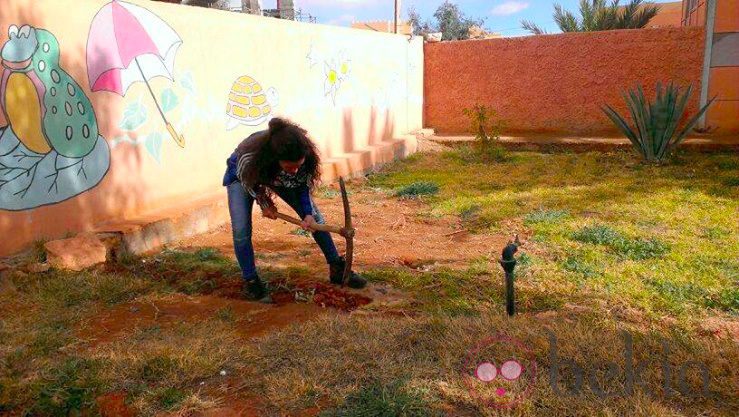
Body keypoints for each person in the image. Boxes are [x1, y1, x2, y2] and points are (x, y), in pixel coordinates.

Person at [223, 117, 366, 302]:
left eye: (298, 165)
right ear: (276, 160)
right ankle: (251, 281)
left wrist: (308, 214)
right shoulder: (250, 155)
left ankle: (337, 267)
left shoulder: (304, 160)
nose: (295, 170)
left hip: (275, 176)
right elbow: (247, 179)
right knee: (241, 230)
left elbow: (302, 187)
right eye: (290, 166)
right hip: (243, 177)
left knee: (316, 219)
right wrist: (264, 203)